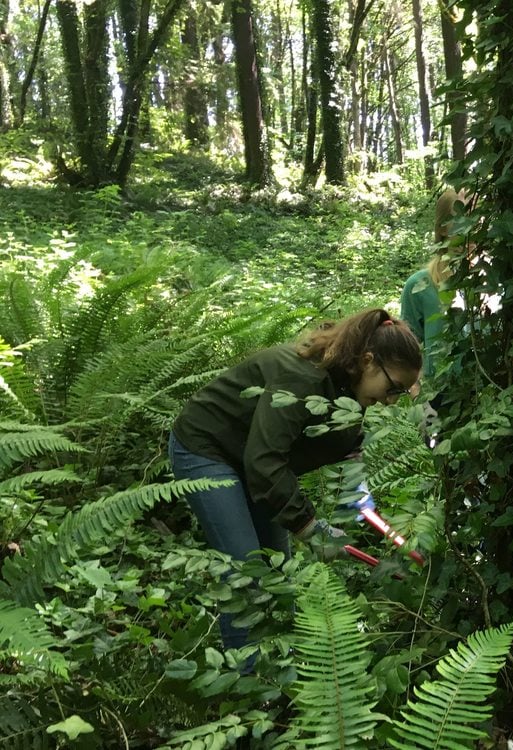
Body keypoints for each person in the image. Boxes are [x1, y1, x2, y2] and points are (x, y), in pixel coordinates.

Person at [168, 307, 422, 653]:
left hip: (252, 459)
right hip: (206, 447)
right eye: (393, 388)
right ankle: (248, 691)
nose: (390, 402)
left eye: (400, 394)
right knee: (249, 577)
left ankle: (274, 676)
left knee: (278, 574)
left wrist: (359, 498)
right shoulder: (302, 379)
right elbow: (265, 462)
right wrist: (308, 526)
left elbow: (345, 444)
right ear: (367, 361)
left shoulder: (349, 386)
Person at [400, 188, 470, 380]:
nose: (471, 228)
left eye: (476, 219)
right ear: (442, 228)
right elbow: (405, 351)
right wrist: (417, 393)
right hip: (440, 397)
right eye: (461, 219)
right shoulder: (419, 285)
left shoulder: (496, 280)